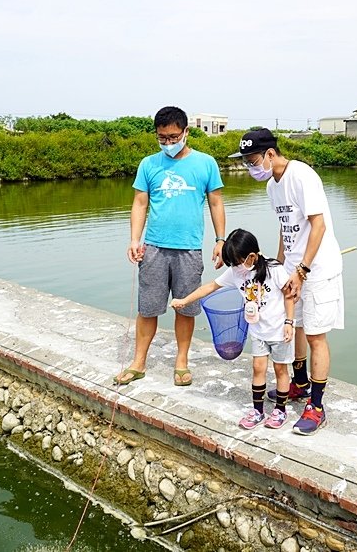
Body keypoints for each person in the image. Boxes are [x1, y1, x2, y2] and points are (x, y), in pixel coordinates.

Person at [230, 128, 343, 436]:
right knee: (295, 327)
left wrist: (303, 269)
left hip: (317, 268)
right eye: (245, 163)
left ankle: (316, 407)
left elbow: (317, 225)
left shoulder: (302, 176)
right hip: (292, 268)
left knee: (316, 335)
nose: (250, 167)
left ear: (270, 154)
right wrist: (279, 267)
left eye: (252, 161)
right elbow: (285, 228)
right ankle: (300, 383)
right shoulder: (271, 187)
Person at [114, 106, 226, 387]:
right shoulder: (148, 165)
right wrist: (134, 239)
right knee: (148, 307)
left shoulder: (206, 163)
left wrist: (220, 240)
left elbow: (215, 202)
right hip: (153, 248)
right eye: (162, 138)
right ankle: (138, 362)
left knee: (185, 308)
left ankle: (182, 362)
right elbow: (140, 203)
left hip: (189, 249)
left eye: (174, 137)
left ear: (186, 132)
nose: (168, 143)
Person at [170, 228, 296, 429]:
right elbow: (210, 287)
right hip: (258, 331)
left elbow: (289, 296)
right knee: (258, 368)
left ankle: (280, 410)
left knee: (280, 369)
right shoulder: (236, 272)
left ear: (252, 256)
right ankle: (257, 411)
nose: (235, 267)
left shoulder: (274, 269)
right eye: (232, 263)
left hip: (279, 330)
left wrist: (290, 323)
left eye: (237, 261)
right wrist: (185, 300)